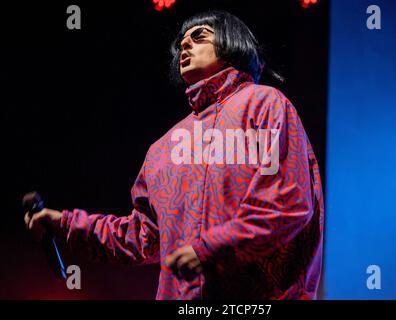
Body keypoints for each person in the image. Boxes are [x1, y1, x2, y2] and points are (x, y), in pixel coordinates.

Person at [24, 10, 324, 300]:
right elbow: (141, 238)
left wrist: (209, 248)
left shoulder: (266, 105)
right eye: (181, 41)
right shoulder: (163, 148)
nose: (185, 44)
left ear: (232, 43)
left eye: (199, 36)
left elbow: (287, 202)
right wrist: (65, 223)